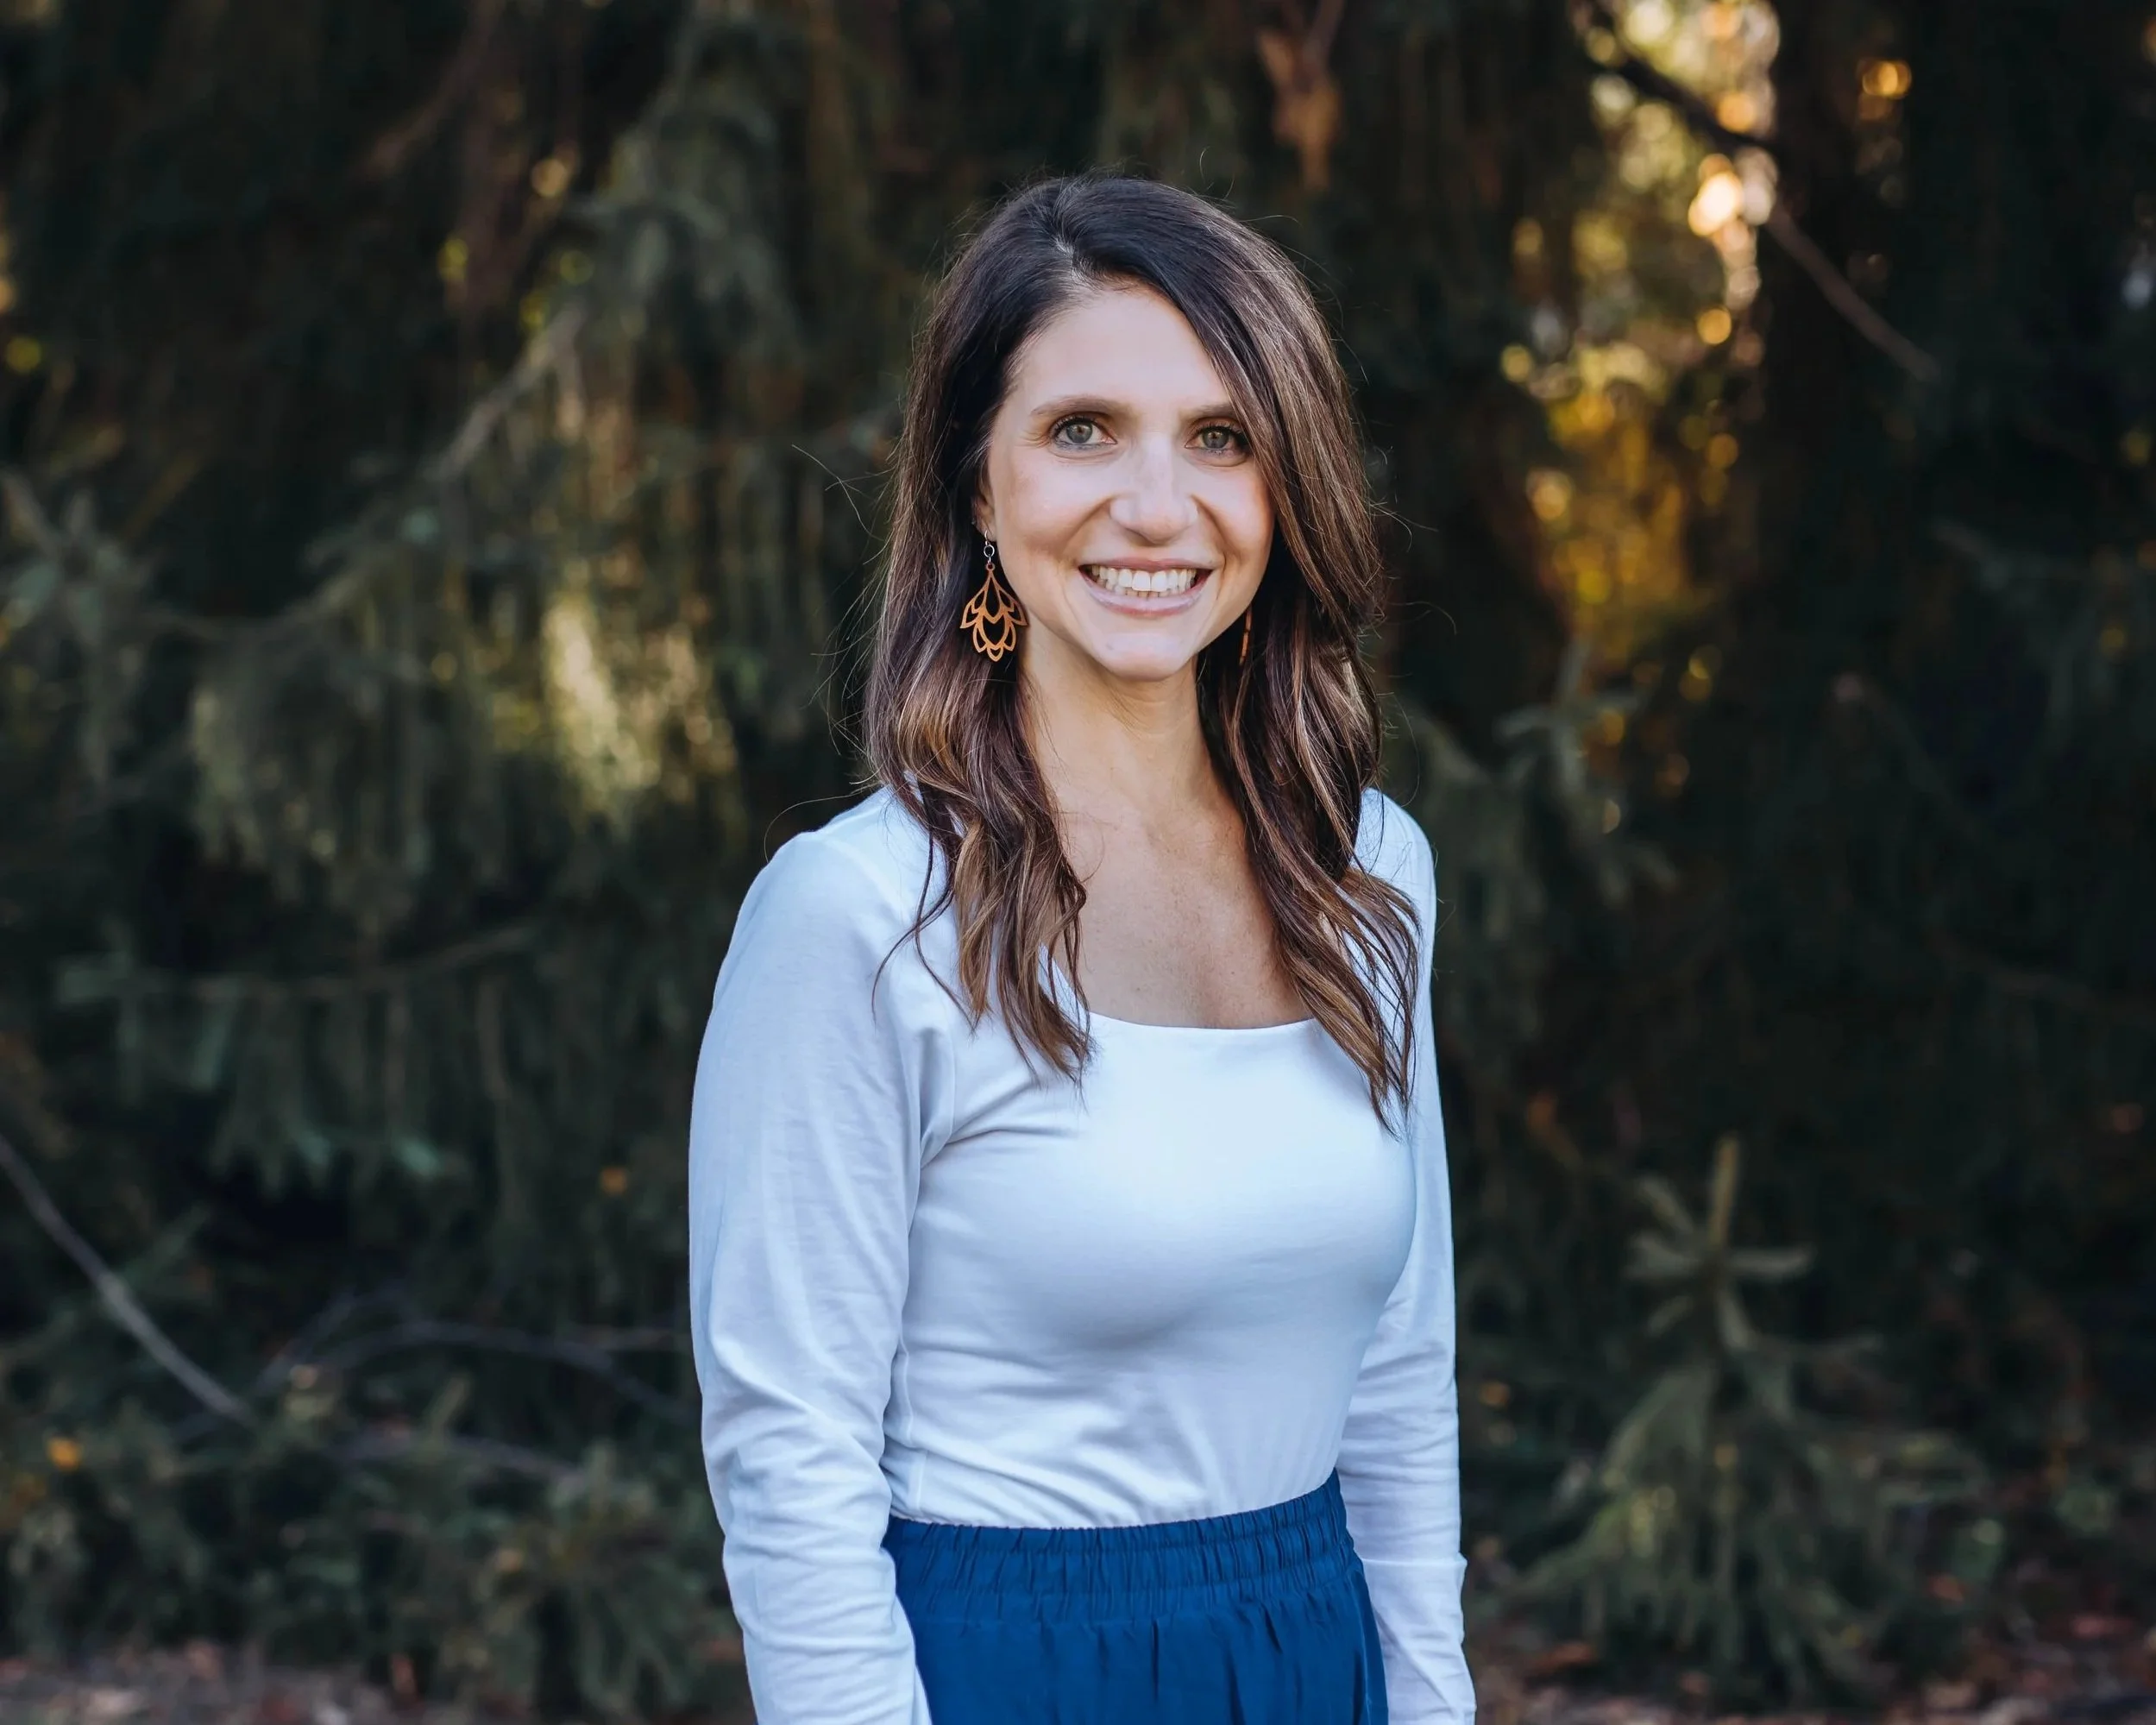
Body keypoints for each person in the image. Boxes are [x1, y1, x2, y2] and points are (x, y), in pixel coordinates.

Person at [686, 172, 1470, 1725]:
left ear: (1283, 485)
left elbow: (1397, 1372)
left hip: (1316, 1663)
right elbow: (789, 1453)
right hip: (1008, 1671)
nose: (1157, 506)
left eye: (1222, 437)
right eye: (1082, 430)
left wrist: (1431, 1700)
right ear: (979, 486)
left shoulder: (1367, 871)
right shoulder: (858, 915)